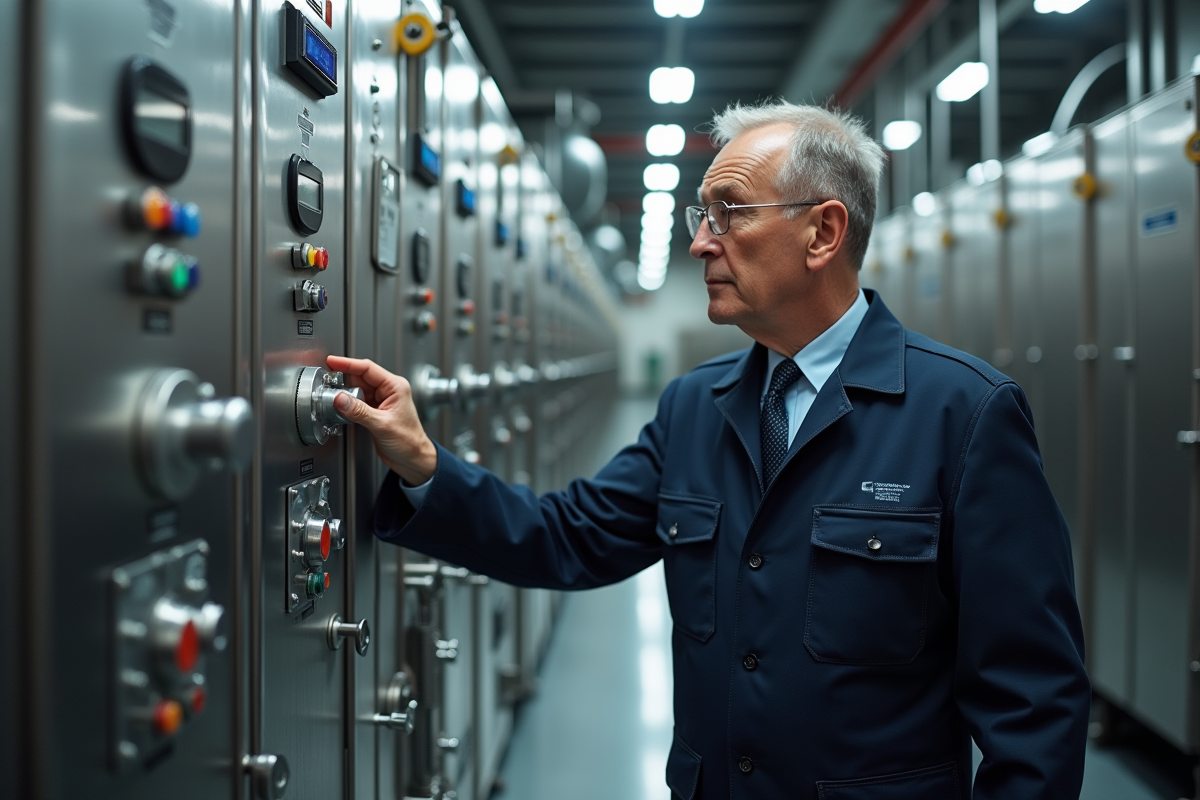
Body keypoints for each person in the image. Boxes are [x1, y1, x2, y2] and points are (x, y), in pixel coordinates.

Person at [326, 100, 1090, 800]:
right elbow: (568, 537)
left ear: (822, 233)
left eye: (729, 212)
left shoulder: (962, 413)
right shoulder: (696, 406)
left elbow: (1033, 703)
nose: (699, 242)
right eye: (703, 214)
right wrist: (423, 466)